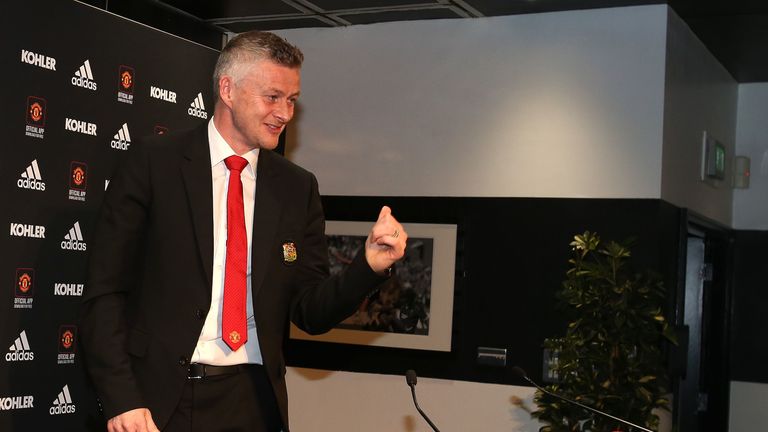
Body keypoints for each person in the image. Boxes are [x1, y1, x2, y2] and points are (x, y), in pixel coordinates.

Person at [80, 31, 407, 432]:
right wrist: (122, 399)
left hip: (254, 402)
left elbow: (310, 311)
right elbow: (105, 293)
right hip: (161, 402)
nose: (285, 113)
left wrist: (367, 267)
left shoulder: (296, 187)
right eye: (273, 96)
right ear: (228, 89)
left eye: (292, 100)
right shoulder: (154, 164)